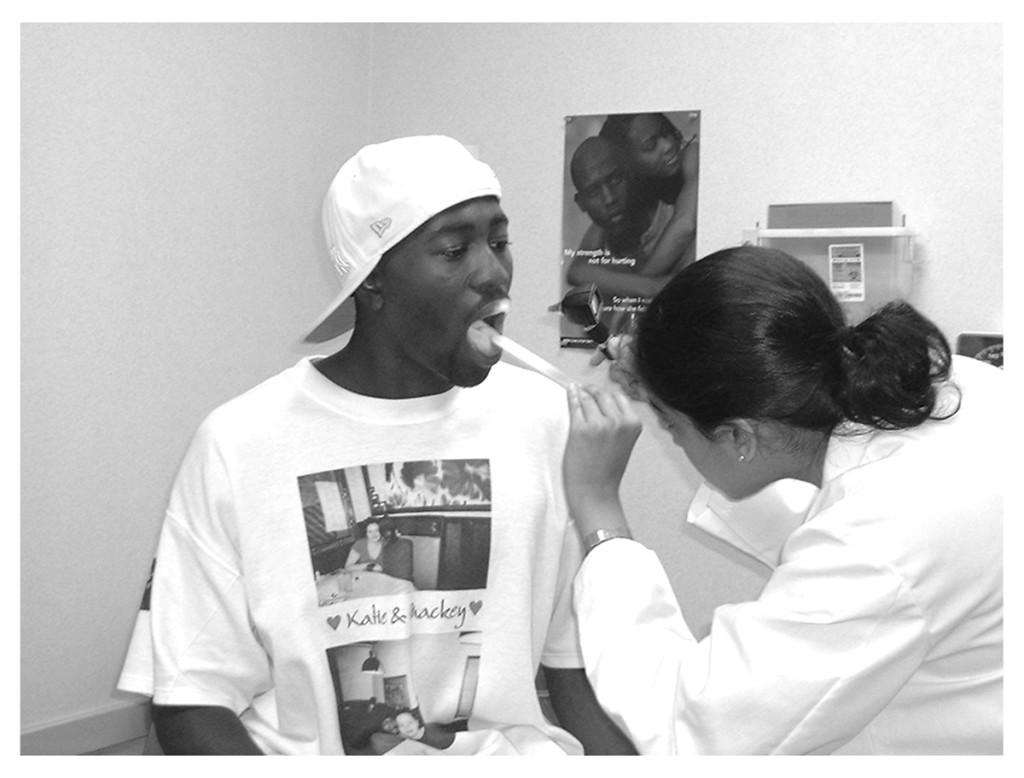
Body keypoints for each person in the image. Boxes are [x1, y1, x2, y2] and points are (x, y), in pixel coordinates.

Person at [117, 135, 633, 755]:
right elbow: (189, 698)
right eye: (454, 248)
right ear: (374, 281)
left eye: (499, 241)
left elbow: (575, 670)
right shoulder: (239, 441)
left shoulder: (551, 422)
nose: (494, 273)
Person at [563, 245, 1003, 754]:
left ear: (740, 437)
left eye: (670, 425)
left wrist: (597, 508)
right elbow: (833, 539)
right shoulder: (954, 386)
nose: (674, 441)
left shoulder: (881, 539)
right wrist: (670, 386)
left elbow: (695, 730)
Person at [598, 112, 698, 279]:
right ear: (628, 163)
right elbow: (577, 270)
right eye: (650, 145)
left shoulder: (692, 155)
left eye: (666, 132)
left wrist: (641, 286)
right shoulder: (624, 207)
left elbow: (685, 224)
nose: (668, 145)